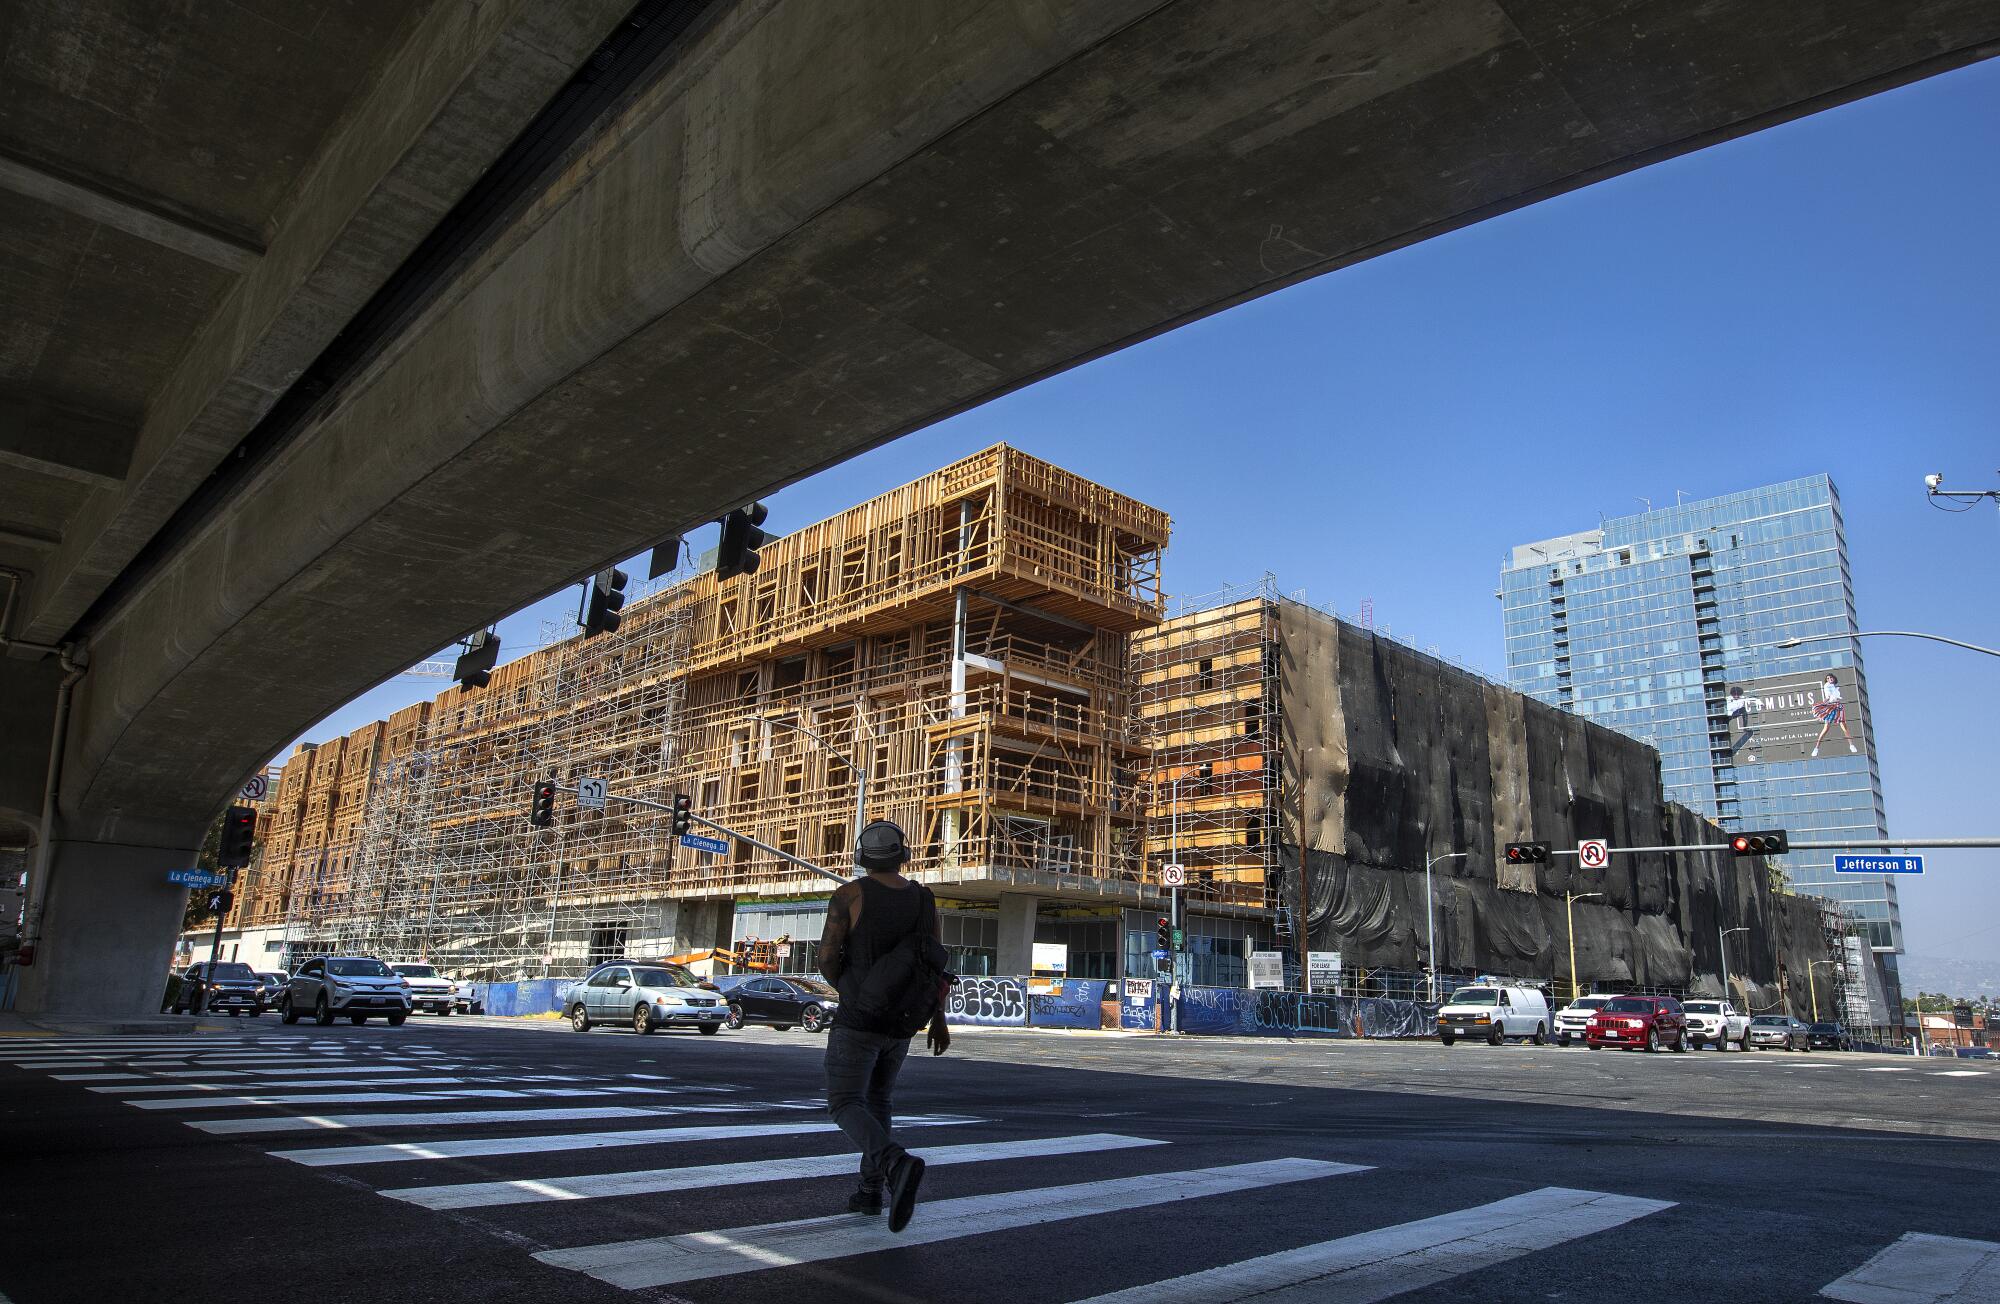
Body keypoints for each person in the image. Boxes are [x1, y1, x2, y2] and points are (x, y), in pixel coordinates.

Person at [817, 819, 950, 1232]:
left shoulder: (850, 895)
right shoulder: (924, 900)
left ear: (861, 856)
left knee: (844, 1103)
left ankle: (894, 1163)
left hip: (858, 1020)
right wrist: (938, 1020)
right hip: (902, 1024)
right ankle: (870, 1192)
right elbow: (935, 964)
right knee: (879, 1102)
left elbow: (826, 958)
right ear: (902, 854)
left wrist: (851, 991)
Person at [1810, 673, 1857, 758]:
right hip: (1831, 706)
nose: (1829, 679)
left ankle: (1851, 745)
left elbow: (1836, 696)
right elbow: (1828, 696)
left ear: (1833, 678)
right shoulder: (1827, 686)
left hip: (1838, 707)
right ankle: (1816, 748)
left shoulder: (1835, 687)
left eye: (1830, 677)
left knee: (1844, 727)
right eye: (1827, 678)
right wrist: (1823, 703)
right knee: (1826, 728)